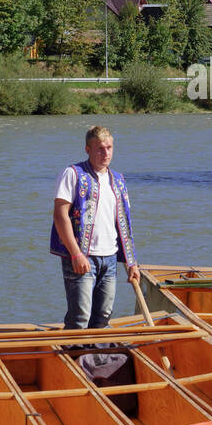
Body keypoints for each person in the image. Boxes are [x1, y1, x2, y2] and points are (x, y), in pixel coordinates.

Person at [51, 126, 140, 329]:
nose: (106, 153)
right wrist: (75, 254)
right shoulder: (73, 174)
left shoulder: (118, 179)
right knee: (80, 317)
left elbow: (123, 224)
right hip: (82, 256)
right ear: (87, 149)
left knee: (103, 317)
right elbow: (60, 215)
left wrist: (132, 263)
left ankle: (95, 359)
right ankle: (73, 357)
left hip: (109, 258)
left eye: (109, 148)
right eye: (100, 148)